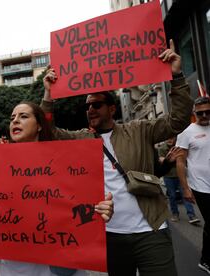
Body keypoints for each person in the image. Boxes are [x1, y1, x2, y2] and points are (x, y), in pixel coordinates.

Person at [40, 39, 193, 276]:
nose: (90, 109)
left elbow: (178, 121)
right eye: (87, 106)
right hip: (110, 235)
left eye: (97, 104)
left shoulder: (140, 129)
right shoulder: (81, 139)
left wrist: (177, 76)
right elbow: (48, 134)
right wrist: (48, 95)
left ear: (112, 109)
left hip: (151, 230)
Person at [0, 102, 114, 276]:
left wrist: (101, 210)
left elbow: (83, 205)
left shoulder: (66, 160)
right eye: (12, 118)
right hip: (16, 266)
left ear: (39, 125)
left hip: (62, 266)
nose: (15, 121)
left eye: (23, 116)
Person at [176, 96, 210, 274]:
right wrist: (186, 188)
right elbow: (180, 162)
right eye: (200, 113)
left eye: (208, 112)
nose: (204, 115)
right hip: (201, 186)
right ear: (193, 113)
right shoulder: (187, 132)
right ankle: (206, 260)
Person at [157, 138, 200, 224]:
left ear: (175, 138)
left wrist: (173, 161)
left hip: (180, 176)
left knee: (186, 194)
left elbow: (184, 160)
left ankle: (192, 215)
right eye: (167, 138)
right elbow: (161, 161)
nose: (169, 140)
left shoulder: (179, 147)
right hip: (168, 176)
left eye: (171, 138)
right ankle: (175, 214)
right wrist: (173, 160)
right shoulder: (161, 148)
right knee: (172, 196)